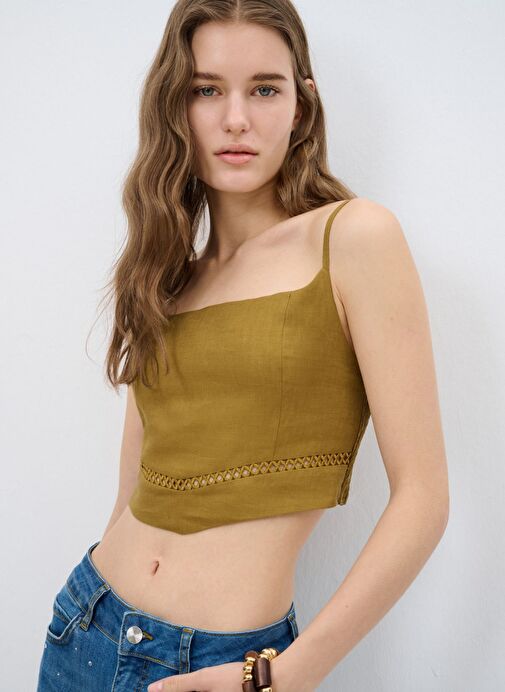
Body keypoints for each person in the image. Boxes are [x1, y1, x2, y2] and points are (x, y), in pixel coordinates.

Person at [36, 1, 450, 691]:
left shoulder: (353, 238)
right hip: (88, 627)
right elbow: (133, 489)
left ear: (300, 105)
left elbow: (424, 499)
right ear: (176, 105)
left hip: (226, 664)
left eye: (264, 89)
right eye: (207, 90)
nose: (235, 118)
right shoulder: (167, 277)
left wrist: (282, 676)